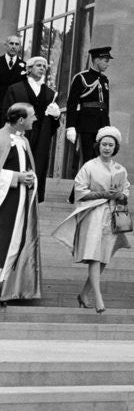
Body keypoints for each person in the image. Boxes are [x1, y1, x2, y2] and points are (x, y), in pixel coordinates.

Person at [52, 126, 130, 314]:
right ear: (98, 145)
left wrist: (120, 195)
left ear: (115, 147)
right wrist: (102, 193)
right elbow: (79, 190)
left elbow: (126, 192)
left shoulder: (120, 169)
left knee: (104, 256)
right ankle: (98, 297)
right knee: (95, 255)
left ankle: (84, 294)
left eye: (111, 145)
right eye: (104, 144)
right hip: (93, 213)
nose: (107, 148)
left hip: (112, 215)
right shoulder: (89, 166)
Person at [1, 56, 62, 202]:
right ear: (29, 69)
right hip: (20, 134)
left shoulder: (50, 93)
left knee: (39, 163)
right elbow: (6, 113)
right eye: (38, 65)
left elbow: (54, 125)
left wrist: (55, 116)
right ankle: (14, 191)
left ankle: (34, 195)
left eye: (44, 66)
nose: (42, 68)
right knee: (18, 160)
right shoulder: (15, 89)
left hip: (41, 135)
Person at [0, 103, 41, 303]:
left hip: (20, 200)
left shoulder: (23, 141)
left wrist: (31, 178)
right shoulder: (1, 137)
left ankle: (2, 289)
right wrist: (17, 177)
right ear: (21, 120)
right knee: (3, 242)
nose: (36, 119)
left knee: (14, 244)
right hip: (5, 201)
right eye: (33, 116)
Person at [65, 45, 112, 172]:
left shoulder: (104, 79)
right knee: (87, 161)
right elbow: (72, 103)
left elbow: (105, 106)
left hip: (101, 126)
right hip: (86, 125)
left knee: (100, 161)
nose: (107, 65)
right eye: (106, 61)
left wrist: (107, 126)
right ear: (97, 60)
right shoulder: (81, 78)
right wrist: (71, 126)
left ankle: (90, 190)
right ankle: (79, 191)